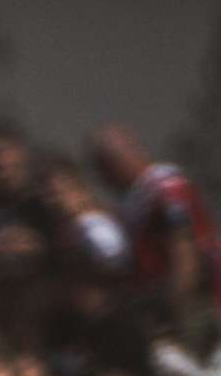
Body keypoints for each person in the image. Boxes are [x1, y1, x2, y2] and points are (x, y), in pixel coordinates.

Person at [89, 121, 221, 341]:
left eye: (108, 163)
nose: (103, 176)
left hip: (203, 304)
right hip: (164, 304)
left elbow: (184, 252)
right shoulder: (131, 204)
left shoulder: (166, 191)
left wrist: (180, 310)